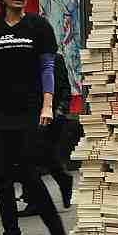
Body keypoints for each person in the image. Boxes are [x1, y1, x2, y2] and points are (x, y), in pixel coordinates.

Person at [0, 0, 68, 235]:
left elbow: (47, 68)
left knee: (28, 175)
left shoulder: (38, 26)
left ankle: (58, 234)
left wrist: (47, 105)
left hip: (30, 111)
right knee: (3, 181)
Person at [17, 51, 73, 216]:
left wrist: (59, 111)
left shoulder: (54, 59)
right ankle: (36, 197)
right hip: (27, 114)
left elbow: (64, 89)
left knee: (41, 155)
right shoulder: (22, 57)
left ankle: (40, 196)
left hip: (50, 115)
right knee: (31, 156)